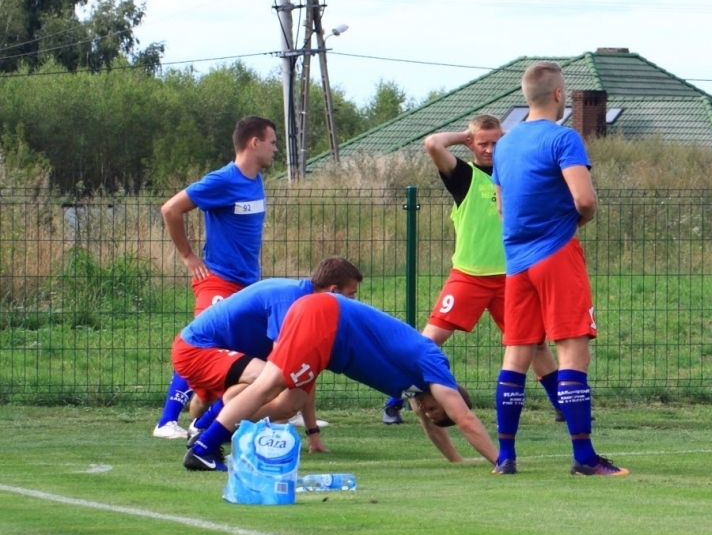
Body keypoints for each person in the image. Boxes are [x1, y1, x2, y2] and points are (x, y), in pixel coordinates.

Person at [380, 115, 565, 430]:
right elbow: (432, 143)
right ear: (471, 145)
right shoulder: (464, 175)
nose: (491, 149)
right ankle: (394, 400)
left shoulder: (515, 174)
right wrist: (467, 134)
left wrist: (507, 137)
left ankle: (562, 405)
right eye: (484, 143)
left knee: (535, 344)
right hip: (468, 276)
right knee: (428, 342)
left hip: (511, 278)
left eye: (497, 143)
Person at [488, 61, 624, 476]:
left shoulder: (505, 145)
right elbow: (585, 201)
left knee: (517, 354)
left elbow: (501, 206)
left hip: (516, 262)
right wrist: (574, 222)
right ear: (560, 96)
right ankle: (584, 457)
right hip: (556, 254)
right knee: (572, 351)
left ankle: (506, 457)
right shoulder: (564, 138)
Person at [184, 293, 499, 470]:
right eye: (436, 409)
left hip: (324, 328)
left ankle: (205, 428)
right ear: (444, 397)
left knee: (289, 402)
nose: (429, 413)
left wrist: (455, 458)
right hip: (324, 320)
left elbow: (426, 418)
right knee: (268, 386)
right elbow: (464, 417)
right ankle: (205, 447)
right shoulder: (434, 364)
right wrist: (500, 460)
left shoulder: (418, 387)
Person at [171, 257, 364, 466]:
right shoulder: (291, 301)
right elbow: (282, 370)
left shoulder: (305, 301)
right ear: (334, 290)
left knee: (288, 397)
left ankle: (205, 428)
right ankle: (205, 440)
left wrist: (313, 434)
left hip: (213, 350)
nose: (352, 302)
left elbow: (303, 372)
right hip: (195, 348)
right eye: (351, 294)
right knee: (277, 388)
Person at [153, 116, 278, 438]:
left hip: (248, 283)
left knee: (260, 345)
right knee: (200, 341)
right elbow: (171, 209)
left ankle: (220, 416)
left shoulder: (256, 181)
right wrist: (188, 257)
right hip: (218, 279)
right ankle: (167, 421)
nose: (276, 149)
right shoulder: (223, 179)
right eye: (273, 142)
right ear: (254, 143)